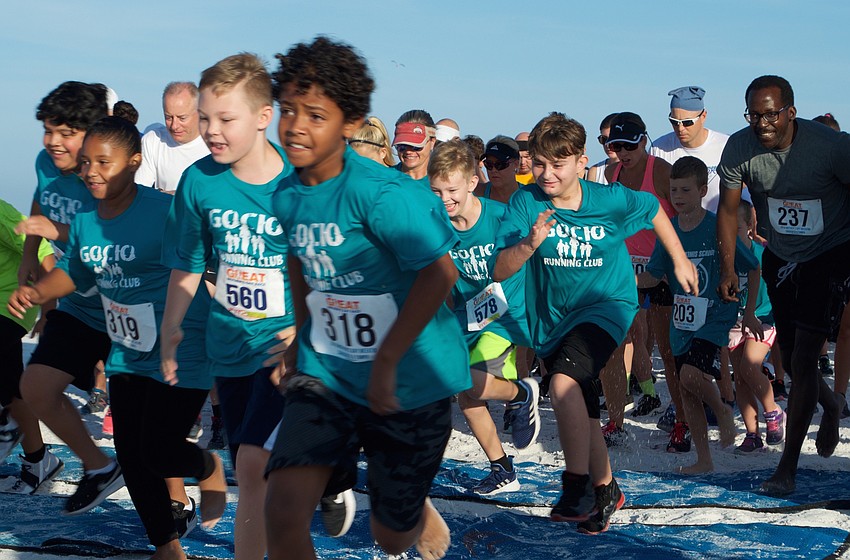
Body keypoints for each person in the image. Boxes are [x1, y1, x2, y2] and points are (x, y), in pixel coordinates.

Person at [265, 36, 468, 560]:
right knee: (282, 513)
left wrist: (387, 359)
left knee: (389, 536)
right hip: (329, 372)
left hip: (409, 383)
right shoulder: (288, 192)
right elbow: (300, 261)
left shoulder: (385, 196)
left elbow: (439, 274)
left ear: (349, 123)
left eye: (315, 114)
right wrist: (297, 336)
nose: (295, 126)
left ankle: (412, 509)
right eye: (287, 110)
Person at [10, 116, 228, 559]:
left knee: (160, 450)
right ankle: (167, 546)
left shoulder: (165, 211)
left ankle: (207, 465)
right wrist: (36, 291)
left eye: (103, 162)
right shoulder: (88, 221)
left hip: (181, 344)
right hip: (127, 348)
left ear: (133, 162)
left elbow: (209, 255)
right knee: (132, 454)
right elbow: (74, 271)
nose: (91, 171)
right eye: (86, 162)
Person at [159, 53, 332, 560]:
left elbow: (330, 276)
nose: (212, 131)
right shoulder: (198, 182)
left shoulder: (299, 185)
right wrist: (171, 327)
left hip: (285, 347)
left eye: (225, 119)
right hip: (227, 346)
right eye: (206, 118)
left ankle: (334, 469)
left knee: (255, 466)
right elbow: (189, 265)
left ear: (262, 117)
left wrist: (303, 338)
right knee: (252, 478)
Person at [493, 112, 696, 534]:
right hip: (553, 318)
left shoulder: (608, 200)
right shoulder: (526, 203)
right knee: (580, 408)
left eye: (558, 164)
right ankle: (607, 489)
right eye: (541, 164)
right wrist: (530, 243)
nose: (547, 174)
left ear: (582, 162)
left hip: (607, 306)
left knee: (564, 385)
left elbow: (654, 211)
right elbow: (499, 269)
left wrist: (677, 259)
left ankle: (576, 485)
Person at [717, 75, 850, 495]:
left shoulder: (831, 148)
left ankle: (787, 467)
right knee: (792, 363)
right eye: (754, 115)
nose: (762, 123)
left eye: (771, 114)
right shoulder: (740, 148)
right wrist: (726, 269)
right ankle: (831, 404)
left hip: (830, 251)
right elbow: (727, 209)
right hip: (781, 254)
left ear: (790, 112)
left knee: (807, 355)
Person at [12, 81, 125, 511]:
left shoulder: (103, 177)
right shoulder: (46, 162)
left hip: (125, 309)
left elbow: (102, 240)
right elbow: (41, 201)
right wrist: (28, 255)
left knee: (145, 437)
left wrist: (53, 235)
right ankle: (98, 467)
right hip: (78, 304)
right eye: (48, 130)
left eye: (66, 133)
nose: (53, 142)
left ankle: (178, 504)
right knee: (36, 386)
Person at [428, 139, 539, 494]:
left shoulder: (499, 218)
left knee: (467, 380)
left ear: (473, 183)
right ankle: (503, 469)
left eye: (452, 190)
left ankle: (521, 393)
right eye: (436, 190)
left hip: (507, 312)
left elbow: (528, 259)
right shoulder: (437, 225)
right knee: (465, 396)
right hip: (467, 314)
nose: (444, 198)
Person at [640, 156, 759, 474]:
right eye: (673, 190)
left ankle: (722, 410)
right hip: (684, 319)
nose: (678, 196)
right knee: (686, 390)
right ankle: (703, 460)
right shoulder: (668, 231)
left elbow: (753, 266)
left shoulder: (716, 225)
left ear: (702, 190)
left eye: (685, 190)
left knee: (693, 377)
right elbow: (652, 276)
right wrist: (619, 280)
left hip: (717, 314)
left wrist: (749, 314)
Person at [602, 113, 673, 444]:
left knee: (668, 349)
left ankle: (680, 415)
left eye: (630, 146)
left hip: (660, 269)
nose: (623, 153)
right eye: (616, 146)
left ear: (644, 141)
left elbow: (684, 212)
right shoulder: (610, 172)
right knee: (618, 341)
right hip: (623, 269)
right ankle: (616, 421)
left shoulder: (659, 171)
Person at [0, 199, 54, 466]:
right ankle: (39, 460)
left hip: (11, 304)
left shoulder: (0, 212)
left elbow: (44, 252)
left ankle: (5, 424)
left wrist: (48, 312)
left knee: (9, 389)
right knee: (12, 388)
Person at [728, 199, 785, 453]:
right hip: (734, 321)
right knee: (739, 377)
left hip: (763, 318)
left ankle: (773, 413)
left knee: (749, 366)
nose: (731, 235)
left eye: (736, 229)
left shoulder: (762, 254)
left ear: (749, 226)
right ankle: (752, 433)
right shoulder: (723, 257)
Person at [650, 87, 731, 213]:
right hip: (675, 228)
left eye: (687, 122)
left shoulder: (726, 145)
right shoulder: (659, 149)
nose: (680, 128)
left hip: (716, 227)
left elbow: (743, 195)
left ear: (703, 116)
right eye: (674, 122)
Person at [135, 82, 211, 194]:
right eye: (168, 117)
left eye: (182, 118)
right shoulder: (153, 140)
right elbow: (139, 192)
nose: (174, 126)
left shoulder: (215, 143)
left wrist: (176, 196)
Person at [393, 109, 436, 184]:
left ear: (432, 142)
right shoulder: (384, 179)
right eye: (402, 146)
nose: (408, 151)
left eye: (416, 146)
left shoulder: (444, 182)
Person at [474, 135, 522, 205]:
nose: (493, 170)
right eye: (489, 164)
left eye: (500, 164)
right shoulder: (475, 194)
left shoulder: (530, 197)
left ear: (516, 164)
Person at [584, 113, 619, 185]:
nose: (607, 144)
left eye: (612, 139)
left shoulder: (636, 169)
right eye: (603, 139)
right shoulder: (595, 171)